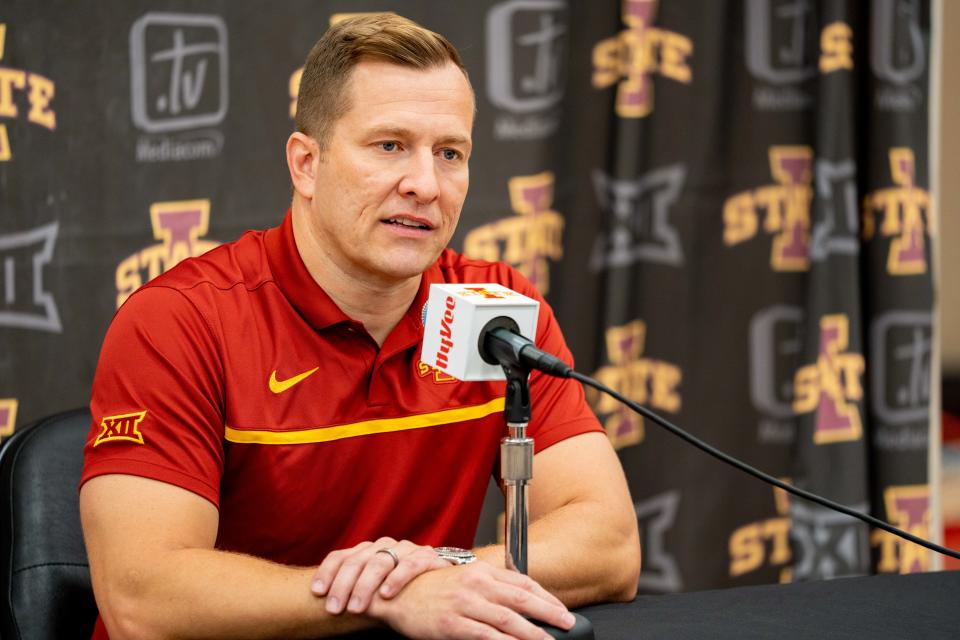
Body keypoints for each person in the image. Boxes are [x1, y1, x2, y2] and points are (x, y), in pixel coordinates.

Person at [80, 13, 640, 640]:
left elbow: (608, 544)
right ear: (306, 164)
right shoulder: (181, 320)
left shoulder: (496, 307)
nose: (425, 184)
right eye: (389, 146)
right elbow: (143, 600)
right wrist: (384, 594)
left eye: (449, 153)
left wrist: (444, 573)